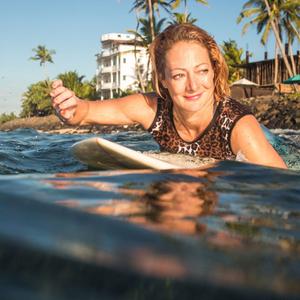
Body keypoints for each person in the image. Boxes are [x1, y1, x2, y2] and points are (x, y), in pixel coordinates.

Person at [50, 23, 287, 169]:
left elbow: (281, 187)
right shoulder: (153, 109)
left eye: (202, 71)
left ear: (213, 70)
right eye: (179, 76)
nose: (193, 86)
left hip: (266, 141)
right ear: (163, 79)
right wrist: (71, 110)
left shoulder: (238, 126)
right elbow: (87, 112)